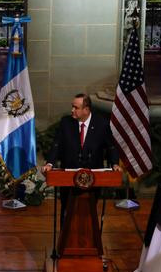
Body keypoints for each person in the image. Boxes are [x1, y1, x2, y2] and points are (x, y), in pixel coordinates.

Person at [43, 93, 120, 224]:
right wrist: (50, 163)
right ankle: (64, 241)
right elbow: (57, 144)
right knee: (67, 210)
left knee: (89, 211)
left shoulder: (101, 123)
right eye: (72, 107)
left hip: (93, 177)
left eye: (76, 107)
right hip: (68, 177)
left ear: (86, 109)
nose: (72, 110)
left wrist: (115, 164)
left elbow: (111, 146)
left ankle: (89, 241)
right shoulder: (66, 123)